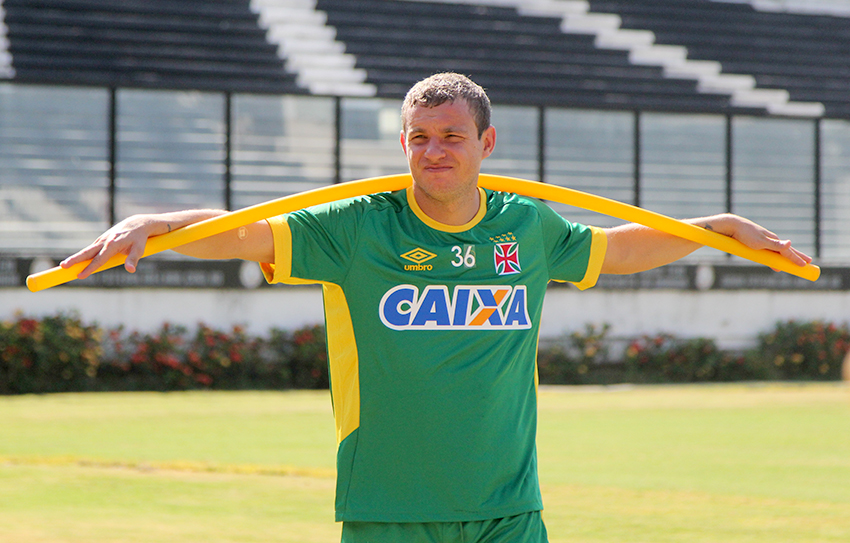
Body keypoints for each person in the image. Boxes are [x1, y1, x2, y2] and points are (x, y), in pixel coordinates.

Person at [61, 73, 811, 543]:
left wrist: (715, 230)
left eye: (452, 136)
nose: (434, 151)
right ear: (403, 144)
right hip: (391, 508)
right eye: (419, 138)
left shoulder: (527, 226)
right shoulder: (356, 228)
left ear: (487, 142)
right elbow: (245, 231)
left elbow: (617, 250)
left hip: (507, 507)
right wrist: (157, 223)